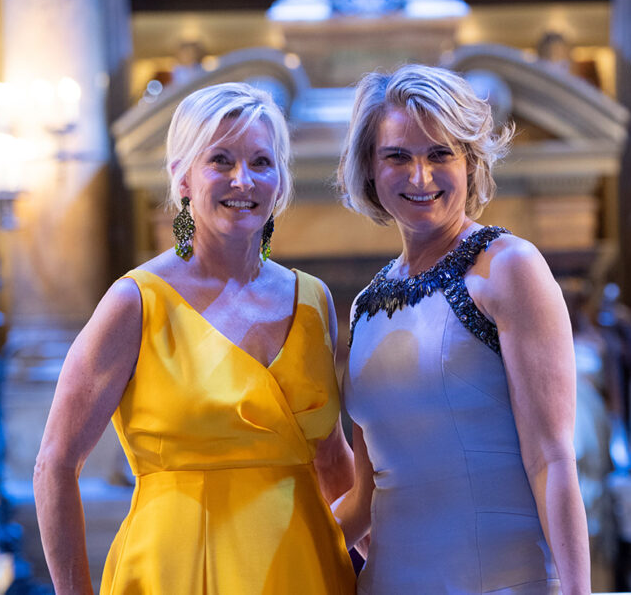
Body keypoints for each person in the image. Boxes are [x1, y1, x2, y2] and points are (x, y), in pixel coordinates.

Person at [33, 82, 356, 594]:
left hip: (307, 570)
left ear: (281, 180)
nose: (242, 179)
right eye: (221, 160)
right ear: (181, 177)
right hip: (176, 572)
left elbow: (333, 460)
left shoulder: (314, 300)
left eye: (261, 162)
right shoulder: (135, 302)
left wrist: (383, 563)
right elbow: (54, 463)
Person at [334, 64, 591, 594]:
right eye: (398, 156)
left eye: (440, 154)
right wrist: (257, 550)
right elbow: (365, 499)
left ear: (471, 163)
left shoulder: (510, 267)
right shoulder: (363, 307)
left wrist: (577, 591)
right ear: (369, 169)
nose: (420, 176)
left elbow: (552, 459)